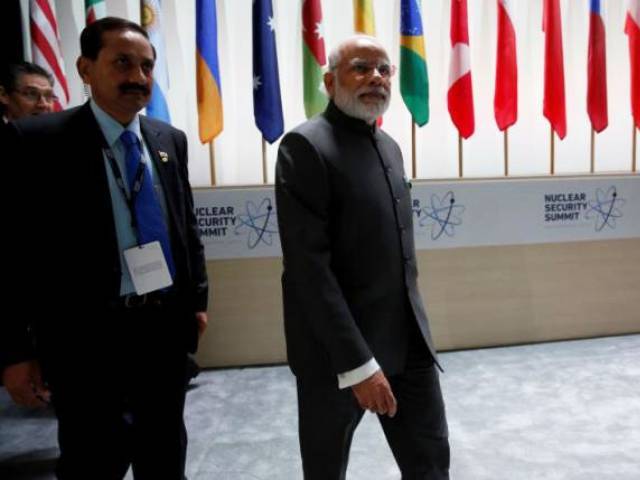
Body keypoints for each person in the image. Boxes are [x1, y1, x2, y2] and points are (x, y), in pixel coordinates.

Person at [1, 17, 208, 479]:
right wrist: (15, 352)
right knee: (93, 461)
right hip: (84, 341)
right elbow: (12, 255)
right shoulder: (38, 143)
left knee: (164, 457)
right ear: (85, 68)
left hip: (161, 333)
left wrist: (196, 300)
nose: (138, 77)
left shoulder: (166, 140)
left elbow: (185, 226)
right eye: (122, 63)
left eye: (146, 66)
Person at [275, 35, 450, 479]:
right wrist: (358, 364)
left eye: (384, 69)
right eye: (361, 67)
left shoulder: (389, 146)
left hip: (408, 342)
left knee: (431, 462)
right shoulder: (304, 147)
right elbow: (309, 270)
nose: (376, 77)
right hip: (337, 355)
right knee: (326, 469)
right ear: (331, 81)